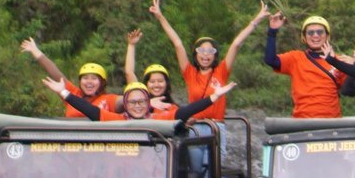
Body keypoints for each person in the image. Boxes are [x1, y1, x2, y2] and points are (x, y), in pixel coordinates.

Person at [145, 0, 267, 122]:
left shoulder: (221, 71)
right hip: (196, 126)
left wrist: (256, 21)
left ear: (215, 55)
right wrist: (160, 17)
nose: (205, 55)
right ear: (196, 54)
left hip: (217, 126)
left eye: (210, 51)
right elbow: (177, 43)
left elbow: (236, 44)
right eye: (201, 50)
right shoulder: (190, 73)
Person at [264, 13, 352, 118]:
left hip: (331, 121)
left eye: (320, 32)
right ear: (304, 37)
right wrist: (272, 32)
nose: (315, 35)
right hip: (303, 121)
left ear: (327, 36)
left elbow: (350, 90)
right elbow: (270, 60)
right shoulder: (295, 58)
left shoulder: (339, 61)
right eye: (310, 32)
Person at [48, 77, 232, 123]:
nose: (137, 106)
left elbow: (187, 111)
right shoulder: (117, 120)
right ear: (125, 105)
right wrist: (64, 93)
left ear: (148, 103)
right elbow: (90, 110)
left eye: (142, 102)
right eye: (133, 102)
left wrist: (214, 96)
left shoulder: (157, 119)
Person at [22, 39, 119, 118]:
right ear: (80, 82)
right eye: (85, 78)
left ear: (102, 83)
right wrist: (35, 51)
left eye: (94, 78)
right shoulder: (72, 94)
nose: (89, 82)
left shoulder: (109, 100)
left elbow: (130, 99)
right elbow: (55, 73)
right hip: (72, 140)